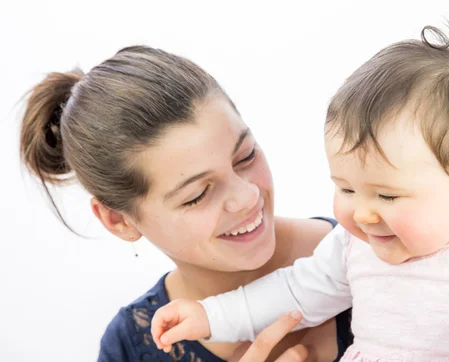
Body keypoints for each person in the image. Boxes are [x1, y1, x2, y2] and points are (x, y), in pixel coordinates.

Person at [150, 26, 449, 361]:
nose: (361, 214)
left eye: (387, 197)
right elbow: (293, 293)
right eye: (345, 188)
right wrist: (211, 316)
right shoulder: (353, 248)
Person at [19, 45, 352, 362]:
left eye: (245, 156)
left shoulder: (374, 251)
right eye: (198, 195)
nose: (247, 196)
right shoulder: (130, 349)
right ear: (118, 220)